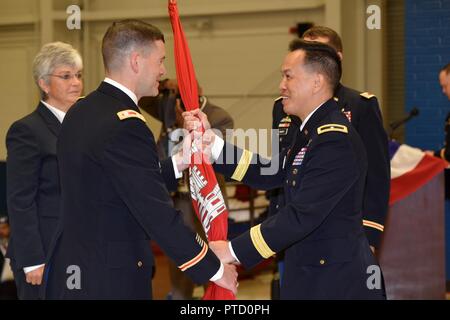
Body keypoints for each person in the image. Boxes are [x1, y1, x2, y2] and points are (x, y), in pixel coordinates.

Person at [44, 19, 237, 300]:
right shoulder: (127, 124)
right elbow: (156, 212)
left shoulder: (81, 110)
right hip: (109, 278)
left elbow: (121, 185)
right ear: (136, 61)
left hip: (74, 271)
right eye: (160, 60)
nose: (163, 71)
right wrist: (215, 269)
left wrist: (180, 161)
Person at [184, 40, 386, 299]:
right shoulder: (308, 131)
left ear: (316, 82)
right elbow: (271, 171)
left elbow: (302, 215)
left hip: (336, 281)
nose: (281, 85)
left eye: (288, 76)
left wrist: (232, 250)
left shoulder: (334, 138)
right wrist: (214, 147)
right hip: (311, 272)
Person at [269, 26, 390, 252]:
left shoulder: (360, 105)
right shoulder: (282, 107)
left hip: (337, 232)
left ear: (337, 59)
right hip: (288, 228)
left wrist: (370, 235)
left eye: (319, 51)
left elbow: (376, 176)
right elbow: (280, 169)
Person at [139, 79, 234, 299]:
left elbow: (211, 156)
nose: (180, 102)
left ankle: (216, 294)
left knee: (214, 252)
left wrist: (188, 129)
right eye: (177, 95)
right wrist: (163, 85)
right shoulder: (169, 108)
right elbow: (142, 97)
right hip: (178, 196)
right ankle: (180, 296)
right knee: (179, 254)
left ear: (199, 93)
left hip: (207, 198)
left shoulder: (219, 116)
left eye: (186, 95)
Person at [5, 42, 83, 299]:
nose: (76, 82)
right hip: (42, 253)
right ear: (44, 84)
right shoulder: (26, 130)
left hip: (76, 249)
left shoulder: (83, 127)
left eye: (79, 75)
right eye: (66, 76)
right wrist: (32, 259)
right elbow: (20, 199)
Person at [0, 215, 17, 299]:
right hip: (4, 287)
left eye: (4, 228)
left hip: (19, 284)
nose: (1, 231)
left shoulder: (17, 245)